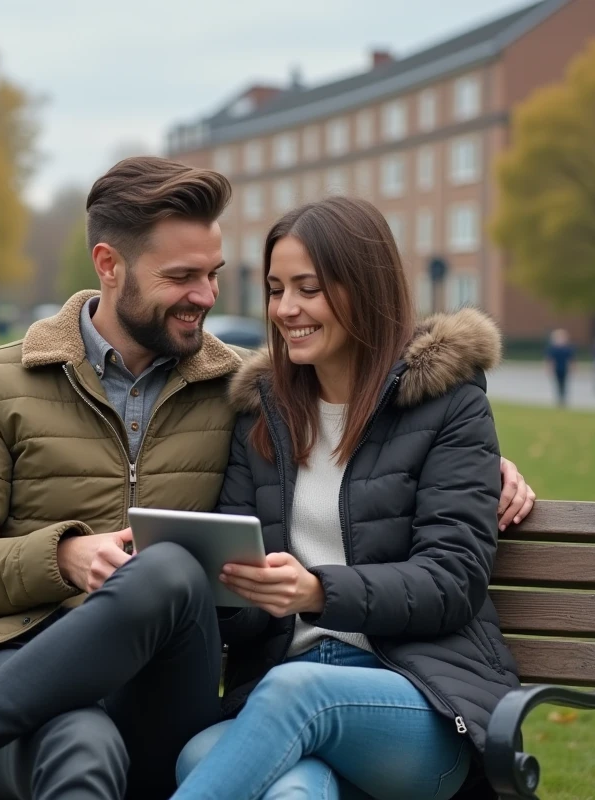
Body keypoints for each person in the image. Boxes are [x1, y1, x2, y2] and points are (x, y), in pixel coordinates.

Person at [0, 158, 535, 800]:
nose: (210, 297)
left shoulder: (241, 389)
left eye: (214, 275)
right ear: (110, 266)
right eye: (184, 276)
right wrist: (61, 556)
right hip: (13, 667)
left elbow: (415, 498)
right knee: (95, 744)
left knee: (175, 576)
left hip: (236, 690)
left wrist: (479, 466)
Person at [172, 196, 520, 800]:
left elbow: (452, 580)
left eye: (308, 288)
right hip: (291, 689)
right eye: (276, 289)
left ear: (365, 287)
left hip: (421, 699)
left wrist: (317, 591)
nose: (286, 309)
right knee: (255, 774)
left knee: (289, 701)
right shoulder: (262, 417)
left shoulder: (449, 407)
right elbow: (241, 603)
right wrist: (212, 581)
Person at [544, 328, 575, 407]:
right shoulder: (553, 348)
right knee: (558, 383)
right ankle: (559, 398)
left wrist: (572, 367)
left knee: (564, 383)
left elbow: (571, 359)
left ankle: (563, 398)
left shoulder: (567, 348)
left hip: (564, 369)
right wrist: (549, 369)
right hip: (557, 369)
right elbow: (550, 360)